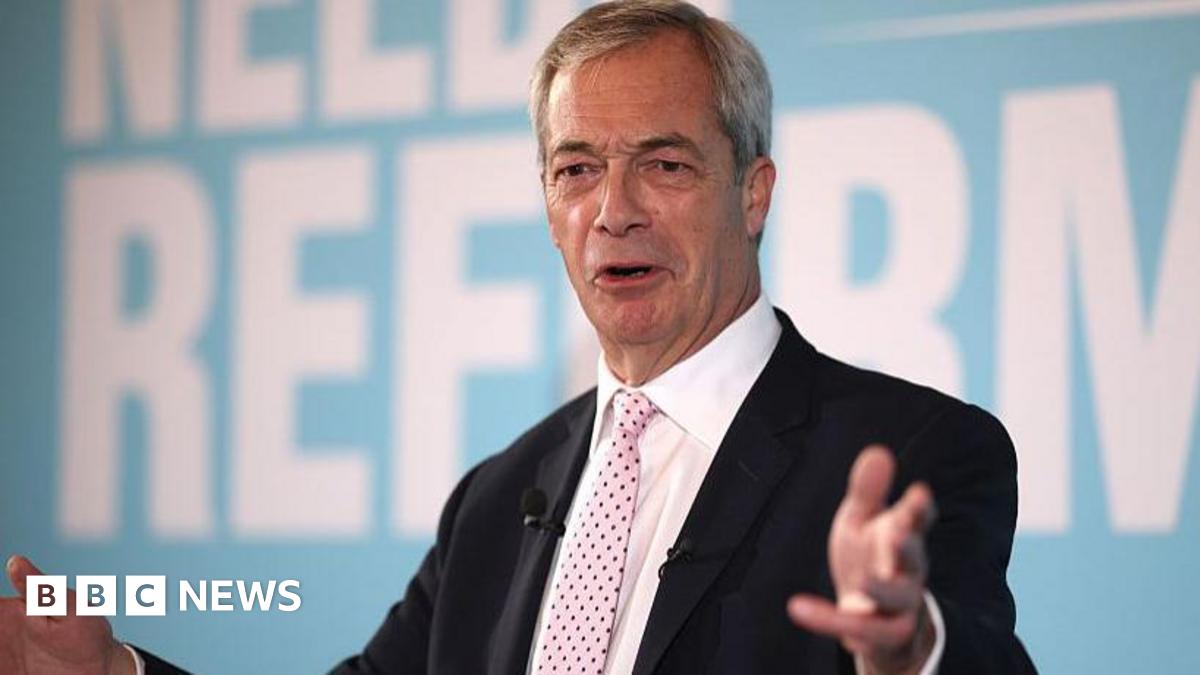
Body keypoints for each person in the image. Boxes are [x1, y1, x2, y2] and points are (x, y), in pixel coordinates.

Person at [0, 2, 1037, 673]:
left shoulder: (910, 453)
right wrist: (115, 674)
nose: (614, 210)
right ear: (548, 203)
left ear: (752, 193)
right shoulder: (499, 499)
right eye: (577, 169)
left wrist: (908, 649)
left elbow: (979, 656)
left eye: (666, 166)